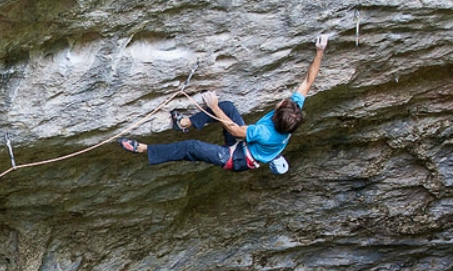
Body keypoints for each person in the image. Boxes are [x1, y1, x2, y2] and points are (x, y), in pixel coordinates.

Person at [120, 34, 330, 174]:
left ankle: (145, 149)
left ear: (275, 116)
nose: (283, 100)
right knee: (228, 106)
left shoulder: (265, 132)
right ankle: (183, 123)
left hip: (236, 157)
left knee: (191, 147)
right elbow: (307, 81)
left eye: (281, 103)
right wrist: (320, 51)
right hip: (247, 145)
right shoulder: (291, 114)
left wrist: (213, 106)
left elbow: (236, 131)